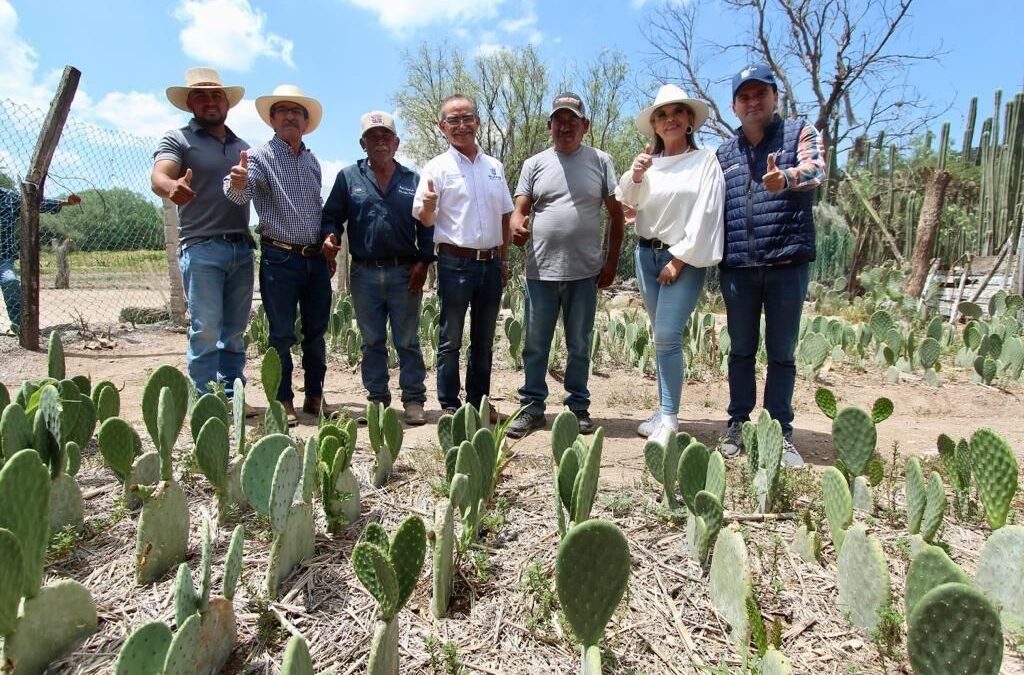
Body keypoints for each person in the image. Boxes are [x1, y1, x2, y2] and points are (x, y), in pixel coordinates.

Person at [717, 64, 826, 468]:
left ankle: (780, 432)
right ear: (734, 106)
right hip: (739, 267)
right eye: (744, 96)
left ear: (775, 96)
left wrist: (789, 178)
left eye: (760, 93)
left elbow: (817, 169)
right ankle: (738, 424)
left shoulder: (799, 132)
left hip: (786, 260)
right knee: (741, 352)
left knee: (782, 353)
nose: (753, 102)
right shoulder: (723, 152)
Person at [505, 92, 624, 439]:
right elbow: (519, 210)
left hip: (585, 271)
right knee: (535, 344)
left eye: (573, 119)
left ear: (585, 125)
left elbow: (616, 217)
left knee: (580, 344)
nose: (565, 126)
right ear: (549, 126)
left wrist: (611, 261)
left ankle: (577, 408)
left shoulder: (601, 161)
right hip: (540, 270)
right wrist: (516, 225)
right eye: (559, 119)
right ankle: (532, 408)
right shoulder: (534, 164)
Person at [616, 84, 725, 442]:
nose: (669, 119)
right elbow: (628, 201)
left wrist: (678, 261)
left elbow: (707, 213)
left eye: (677, 112)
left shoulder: (705, 160)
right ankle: (663, 411)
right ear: (655, 125)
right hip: (645, 255)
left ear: (690, 119)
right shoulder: (650, 163)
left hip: (683, 257)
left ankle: (671, 419)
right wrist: (636, 174)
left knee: (667, 335)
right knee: (660, 336)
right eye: (661, 115)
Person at [224, 84, 334, 426]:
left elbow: (316, 208)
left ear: (305, 121)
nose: (290, 116)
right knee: (281, 334)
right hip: (280, 259)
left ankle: (314, 396)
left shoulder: (313, 161)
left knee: (316, 331)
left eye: (297, 112)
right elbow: (239, 194)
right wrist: (238, 181)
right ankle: (283, 399)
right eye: (283, 111)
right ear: (272, 119)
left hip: (315, 259)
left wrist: (327, 245)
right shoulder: (258, 157)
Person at [321, 111, 433, 425]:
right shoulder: (348, 178)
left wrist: (424, 261)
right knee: (371, 341)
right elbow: (331, 216)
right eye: (373, 137)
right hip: (364, 273)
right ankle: (379, 400)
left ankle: (413, 400)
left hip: (404, 272)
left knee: (408, 340)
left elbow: (426, 225)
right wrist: (329, 237)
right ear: (363, 143)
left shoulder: (413, 179)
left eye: (386, 137)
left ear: (396, 143)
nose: (380, 142)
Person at [152, 67, 253, 401]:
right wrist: (172, 187)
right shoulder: (178, 139)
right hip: (201, 248)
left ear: (226, 102)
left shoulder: (243, 146)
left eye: (216, 95)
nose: (210, 102)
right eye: (201, 96)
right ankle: (205, 400)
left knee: (235, 332)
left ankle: (231, 396)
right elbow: (159, 177)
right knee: (206, 329)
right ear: (190, 103)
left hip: (242, 247)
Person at [412, 94, 512, 422]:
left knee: (483, 339)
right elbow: (426, 220)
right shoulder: (436, 168)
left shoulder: (494, 167)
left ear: (478, 121)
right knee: (450, 338)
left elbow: (505, 217)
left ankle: (478, 402)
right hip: (455, 263)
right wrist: (428, 205)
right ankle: (449, 404)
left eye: (467, 118)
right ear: (443, 127)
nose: (461, 125)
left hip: (491, 263)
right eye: (453, 120)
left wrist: (505, 259)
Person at [0, 187, 81, 333]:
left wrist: (66, 203)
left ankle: (19, 326)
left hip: (3, 257)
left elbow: (35, 204)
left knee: (10, 282)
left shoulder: (8, 197)